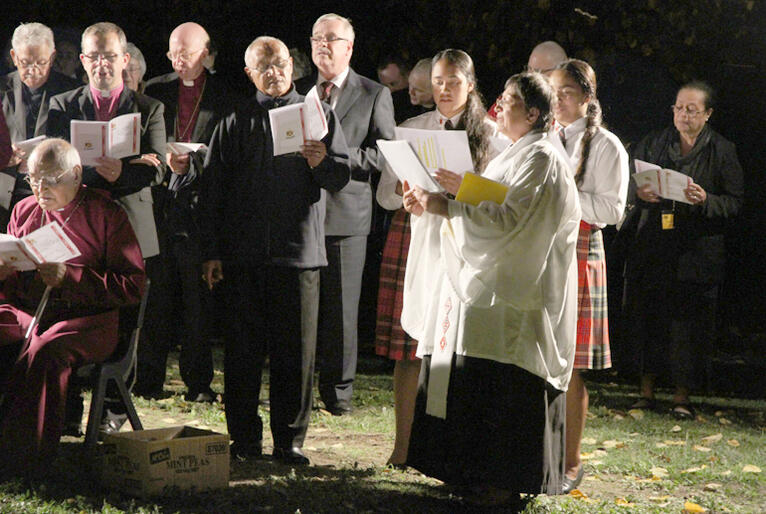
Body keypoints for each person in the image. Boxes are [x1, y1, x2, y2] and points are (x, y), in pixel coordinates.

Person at [401, 72, 580, 506]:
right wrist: (432, 203)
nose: (498, 104)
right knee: (472, 378)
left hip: (516, 296)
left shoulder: (542, 158)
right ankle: (467, 472)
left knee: (503, 387)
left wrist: (447, 206)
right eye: (500, 95)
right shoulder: (512, 154)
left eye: (511, 99)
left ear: (534, 114)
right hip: (486, 294)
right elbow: (490, 201)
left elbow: (512, 220)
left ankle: (501, 480)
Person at [200, 36, 349, 465]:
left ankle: (290, 442)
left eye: (280, 63)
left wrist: (322, 162)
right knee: (242, 353)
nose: (274, 72)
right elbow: (213, 190)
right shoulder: (234, 117)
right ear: (250, 74)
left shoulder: (318, 113)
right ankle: (244, 440)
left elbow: (341, 177)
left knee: (296, 356)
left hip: (299, 253)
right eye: (263, 66)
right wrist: (212, 251)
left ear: (293, 65)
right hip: (244, 257)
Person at [375, 48, 492, 467]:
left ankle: (453, 452)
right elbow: (386, 192)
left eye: (453, 82)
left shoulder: (491, 134)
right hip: (420, 239)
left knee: (460, 351)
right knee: (410, 346)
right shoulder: (413, 128)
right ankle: (403, 447)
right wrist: (405, 195)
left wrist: (464, 189)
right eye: (438, 82)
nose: (444, 90)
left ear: (471, 85)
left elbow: (502, 200)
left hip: (470, 248)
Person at [46, 21, 165, 435]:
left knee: (128, 322)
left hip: (131, 227)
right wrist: (101, 173)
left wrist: (121, 175)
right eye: (93, 56)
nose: (102, 64)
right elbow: (54, 164)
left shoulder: (148, 107)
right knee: (73, 310)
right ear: (82, 60)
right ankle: (70, 406)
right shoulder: (63, 105)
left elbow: (159, 168)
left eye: (109, 56)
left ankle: (114, 409)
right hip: (79, 229)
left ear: (124, 59)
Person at [0, 138, 145, 477]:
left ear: (77, 174)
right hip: (29, 312)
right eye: (33, 179)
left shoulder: (105, 213)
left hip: (88, 320)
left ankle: (26, 458)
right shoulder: (24, 211)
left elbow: (133, 285)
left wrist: (72, 276)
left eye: (50, 178)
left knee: (45, 349)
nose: (40, 188)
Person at [623, 81, 743, 419]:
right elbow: (628, 182)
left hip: (696, 252)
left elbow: (735, 203)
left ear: (708, 114)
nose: (683, 115)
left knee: (687, 326)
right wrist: (639, 193)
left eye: (692, 109)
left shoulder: (722, 149)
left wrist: (706, 201)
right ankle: (645, 393)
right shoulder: (655, 142)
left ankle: (681, 397)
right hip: (654, 245)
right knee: (649, 318)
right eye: (679, 107)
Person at [296, 13, 395, 416]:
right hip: (301, 213)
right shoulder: (300, 92)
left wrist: (337, 158)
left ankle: (338, 394)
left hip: (346, 217)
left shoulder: (373, 93)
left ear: (349, 47)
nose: (322, 45)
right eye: (317, 38)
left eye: (331, 39)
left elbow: (385, 153)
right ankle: (299, 389)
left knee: (340, 311)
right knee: (302, 311)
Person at [137, 22, 238, 403]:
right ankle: (148, 380)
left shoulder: (225, 95)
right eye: (174, 52)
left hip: (202, 208)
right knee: (157, 298)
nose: (180, 60)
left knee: (198, 302)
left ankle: (198, 384)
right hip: (162, 205)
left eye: (188, 53)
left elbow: (226, 151)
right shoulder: (158, 90)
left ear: (206, 54)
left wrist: (193, 164)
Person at [548, 59, 629, 493]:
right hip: (542, 251)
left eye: (566, 92)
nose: (558, 100)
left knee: (573, 363)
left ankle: (571, 460)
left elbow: (612, 210)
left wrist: (562, 198)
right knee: (541, 357)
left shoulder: (606, 145)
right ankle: (542, 452)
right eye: (553, 91)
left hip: (580, 251)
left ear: (586, 97)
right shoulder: (545, 136)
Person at [1, 22, 79, 228]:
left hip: (55, 196)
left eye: (41, 62)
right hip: (5, 194)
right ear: (14, 57)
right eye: (25, 62)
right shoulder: (1, 89)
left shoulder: (73, 93)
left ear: (52, 57)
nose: (33, 70)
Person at [487, 41, 566, 122]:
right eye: (529, 69)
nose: (530, 76)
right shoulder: (512, 99)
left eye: (538, 71)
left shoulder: (570, 109)